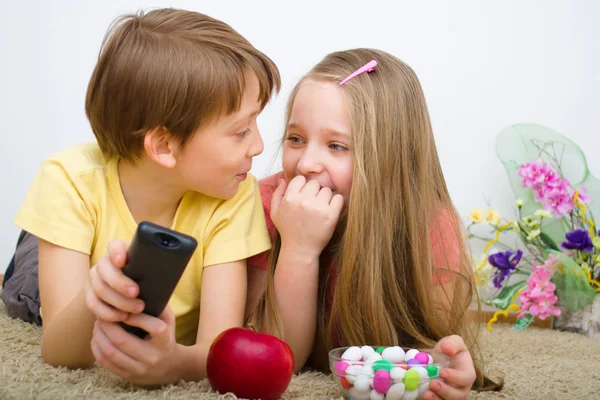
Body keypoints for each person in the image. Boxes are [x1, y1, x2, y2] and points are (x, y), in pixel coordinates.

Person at [10, 8, 280, 386]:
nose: (259, 145)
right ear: (165, 145)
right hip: (56, 273)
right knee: (24, 295)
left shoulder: (233, 191)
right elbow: (58, 353)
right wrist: (97, 294)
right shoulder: (68, 179)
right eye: (240, 132)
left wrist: (175, 362)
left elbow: (213, 348)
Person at [246, 48, 502, 399]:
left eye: (336, 146)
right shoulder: (265, 205)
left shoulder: (428, 226)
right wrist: (299, 248)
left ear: (389, 158)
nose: (306, 163)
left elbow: (428, 349)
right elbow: (278, 357)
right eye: (295, 139)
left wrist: (448, 369)